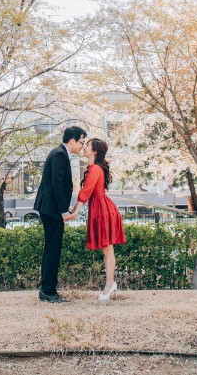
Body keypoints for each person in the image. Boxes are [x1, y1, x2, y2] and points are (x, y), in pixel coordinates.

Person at [33, 125, 87, 303]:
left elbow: (61, 186)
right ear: (72, 141)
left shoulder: (61, 154)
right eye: (81, 142)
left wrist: (66, 207)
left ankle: (48, 289)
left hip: (52, 208)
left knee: (52, 249)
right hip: (51, 209)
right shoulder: (59, 154)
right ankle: (48, 291)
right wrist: (64, 211)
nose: (82, 146)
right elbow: (57, 184)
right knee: (52, 250)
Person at [67, 138, 125, 301]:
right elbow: (87, 193)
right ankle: (110, 284)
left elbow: (85, 192)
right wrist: (76, 210)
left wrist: (75, 212)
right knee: (107, 249)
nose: (84, 147)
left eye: (87, 145)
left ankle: (109, 285)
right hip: (102, 208)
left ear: (94, 151)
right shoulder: (95, 168)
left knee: (107, 249)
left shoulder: (95, 169)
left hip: (103, 210)